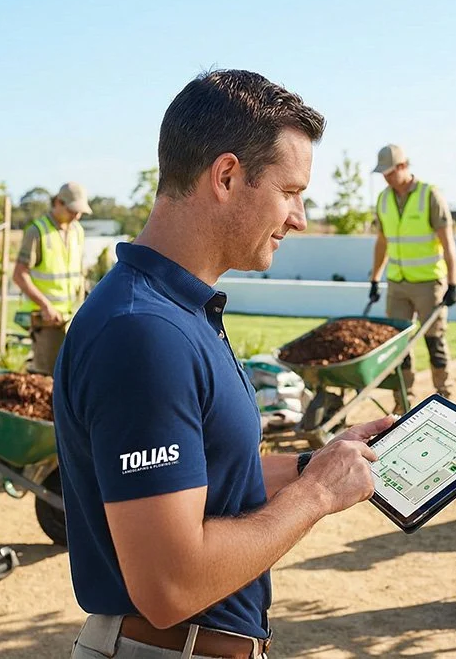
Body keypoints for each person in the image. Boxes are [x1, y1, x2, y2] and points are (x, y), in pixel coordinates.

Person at [56, 70, 393, 659]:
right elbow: (169, 586)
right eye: (290, 192)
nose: (300, 218)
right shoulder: (145, 333)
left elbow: (204, 484)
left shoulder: (176, 311)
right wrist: (316, 494)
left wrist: (323, 462)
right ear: (228, 176)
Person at [368, 144, 456, 410]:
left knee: (434, 341)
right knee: (399, 344)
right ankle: (403, 402)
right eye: (382, 173)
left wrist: (452, 283)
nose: (385, 178)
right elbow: (382, 243)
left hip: (429, 283)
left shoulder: (430, 195)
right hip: (397, 283)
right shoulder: (384, 199)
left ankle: (445, 398)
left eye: (389, 172)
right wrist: (375, 279)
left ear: (403, 166)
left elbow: (447, 242)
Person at [12, 182, 90, 375]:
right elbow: (19, 275)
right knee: (47, 379)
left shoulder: (77, 231)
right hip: (47, 322)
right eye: (73, 210)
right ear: (58, 202)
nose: (77, 216)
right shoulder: (37, 232)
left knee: (73, 376)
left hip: (73, 318)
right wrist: (46, 305)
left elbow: (79, 274)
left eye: (80, 212)